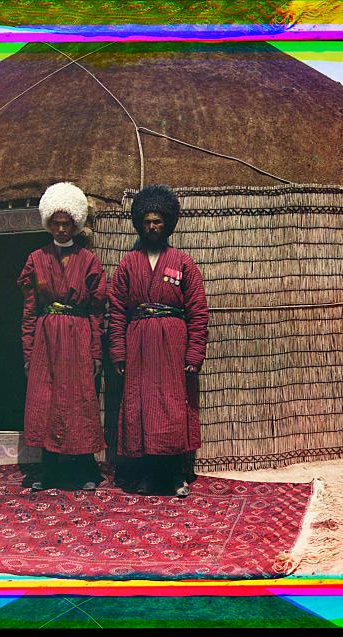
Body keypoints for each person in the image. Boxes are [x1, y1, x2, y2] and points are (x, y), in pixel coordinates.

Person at [108, 184, 209, 497]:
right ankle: (145, 478)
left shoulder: (182, 263)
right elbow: (116, 313)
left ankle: (174, 477)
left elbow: (198, 312)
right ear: (140, 223)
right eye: (147, 221)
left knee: (171, 407)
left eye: (158, 221)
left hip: (172, 346)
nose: (152, 227)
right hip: (138, 344)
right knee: (141, 407)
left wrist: (193, 355)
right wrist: (119, 353)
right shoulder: (127, 265)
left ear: (168, 224)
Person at [17, 182, 106, 491]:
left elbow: (96, 311)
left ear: (76, 224)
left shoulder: (89, 261)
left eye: (66, 223)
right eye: (55, 223)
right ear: (47, 224)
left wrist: (96, 351)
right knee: (46, 399)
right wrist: (28, 352)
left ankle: (84, 470)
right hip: (46, 339)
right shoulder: (36, 259)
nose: (61, 229)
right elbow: (29, 311)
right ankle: (48, 470)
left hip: (79, 336)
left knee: (79, 399)